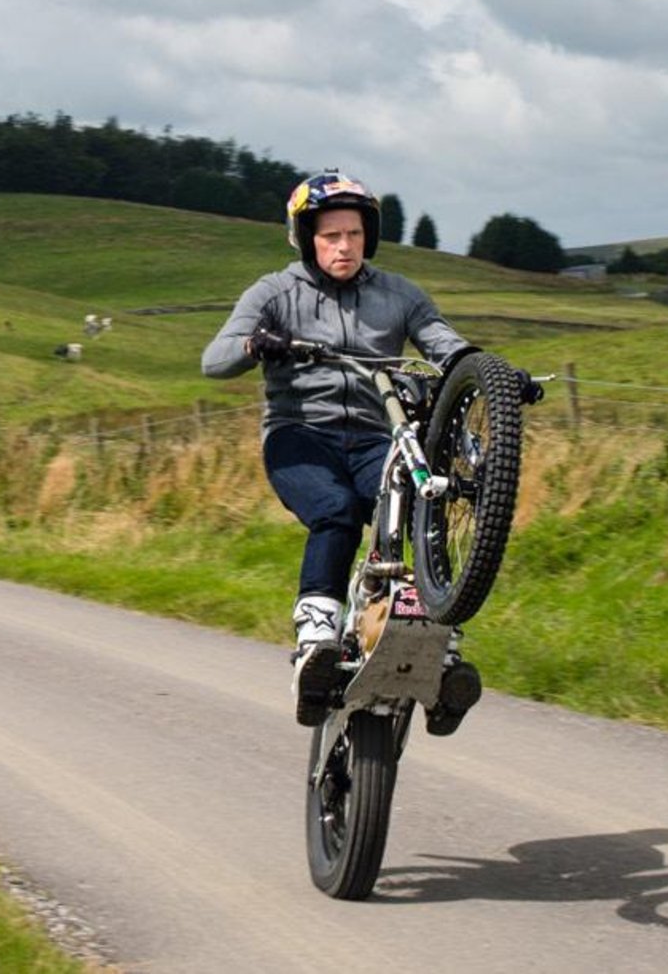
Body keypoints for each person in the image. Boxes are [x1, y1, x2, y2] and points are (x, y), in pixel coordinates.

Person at [200, 170, 478, 728]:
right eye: (330, 236)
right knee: (336, 514)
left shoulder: (400, 295)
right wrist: (258, 343)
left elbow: (446, 345)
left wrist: (488, 371)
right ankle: (316, 643)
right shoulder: (274, 293)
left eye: (353, 234)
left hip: (378, 437)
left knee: (420, 507)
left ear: (367, 237)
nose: (343, 246)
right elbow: (215, 358)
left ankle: (436, 653)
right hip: (300, 436)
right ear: (307, 240)